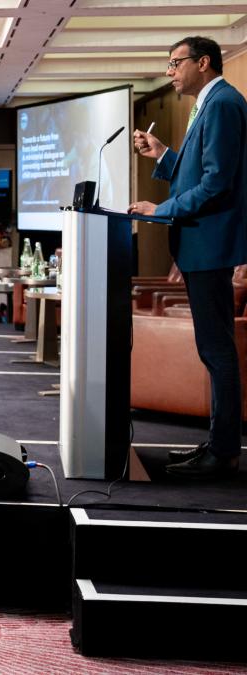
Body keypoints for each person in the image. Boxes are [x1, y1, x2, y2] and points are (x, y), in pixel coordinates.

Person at [130, 35, 247, 479]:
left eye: (175, 63)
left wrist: (162, 210)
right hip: (202, 246)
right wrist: (163, 155)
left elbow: (218, 183)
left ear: (203, 62)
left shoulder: (221, 104)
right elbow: (198, 172)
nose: (169, 71)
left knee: (217, 351)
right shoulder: (210, 103)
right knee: (211, 349)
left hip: (210, 247)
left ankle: (224, 453)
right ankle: (218, 445)